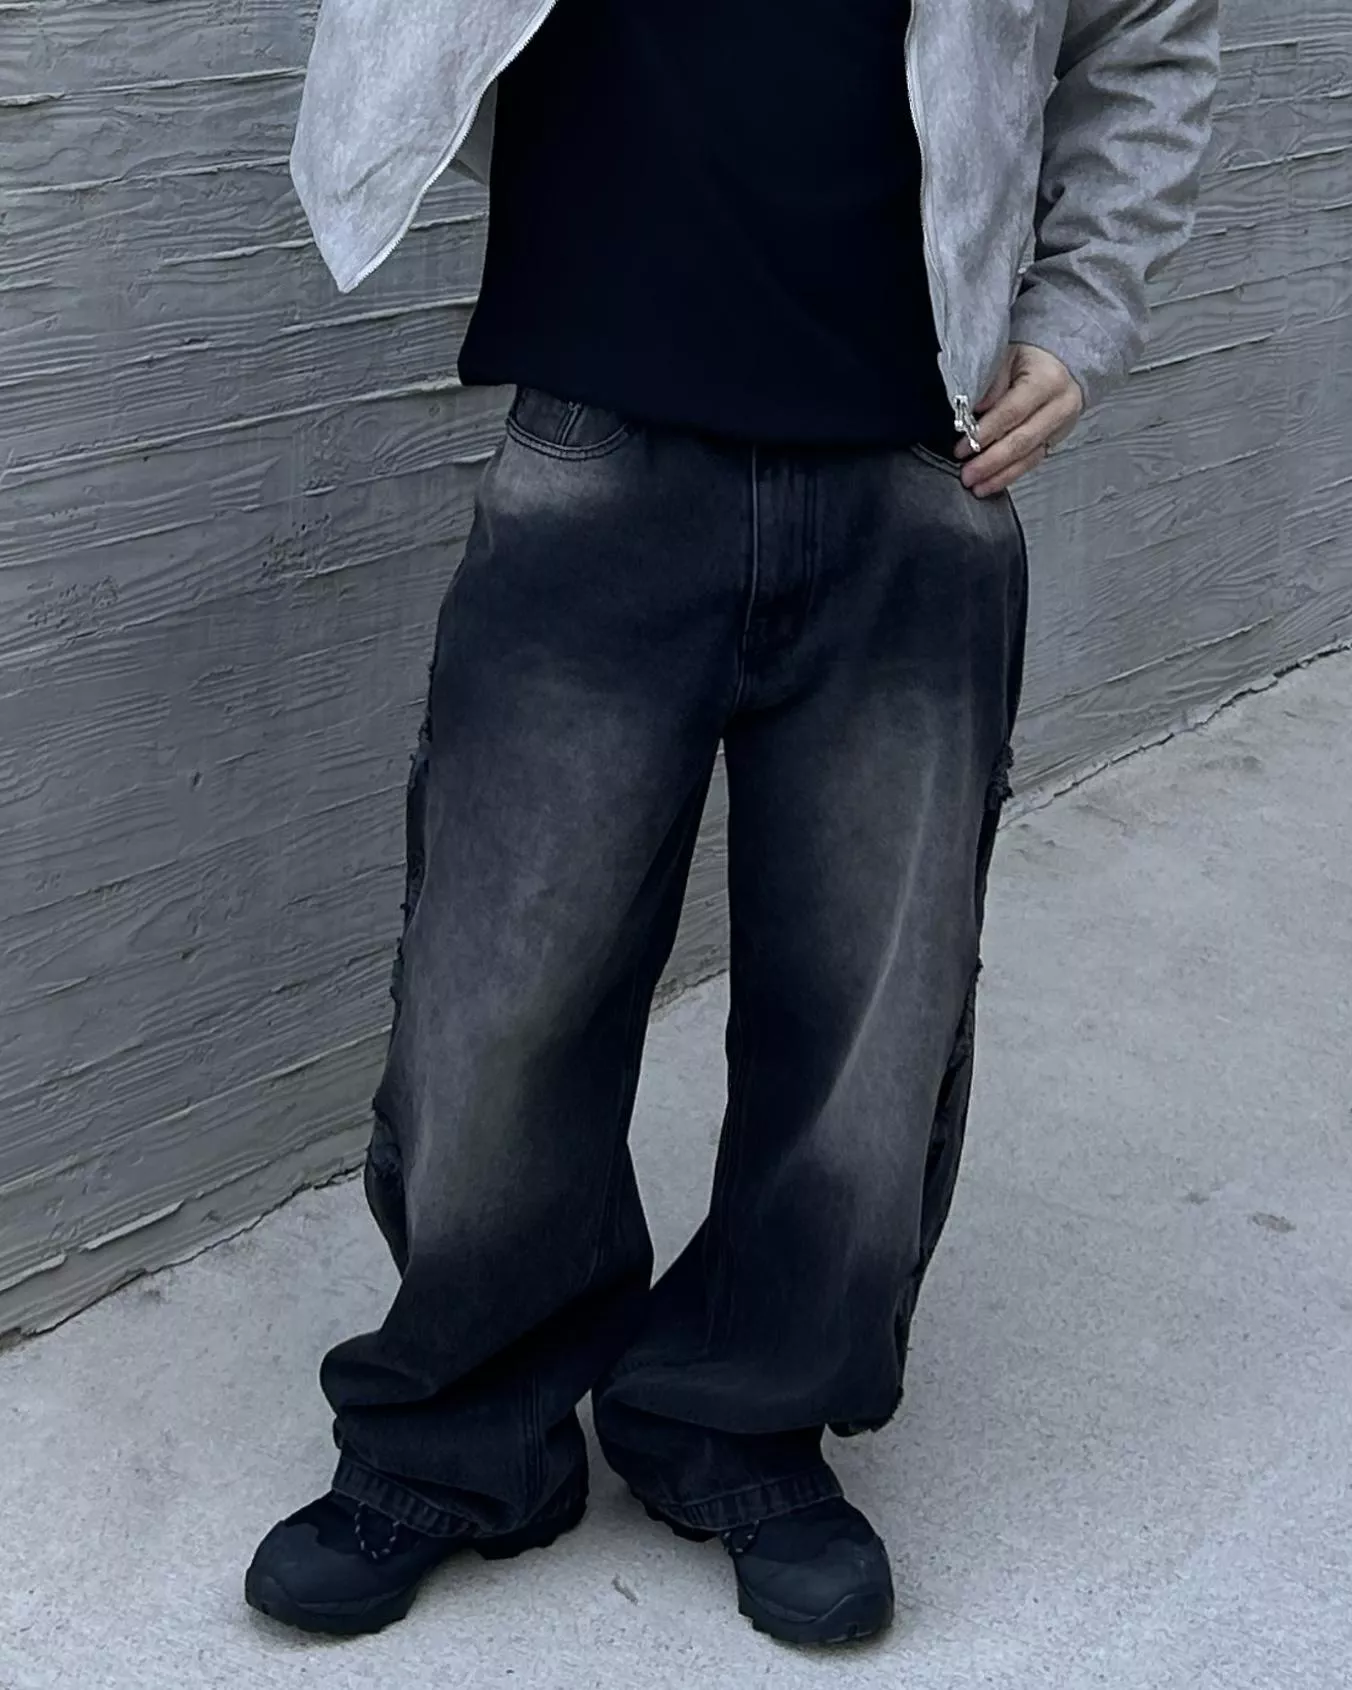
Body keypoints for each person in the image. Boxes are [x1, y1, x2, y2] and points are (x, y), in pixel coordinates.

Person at [245, 0, 1219, 1648]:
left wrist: (1085, 301)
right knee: (494, 1005)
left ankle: (741, 1419)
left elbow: (1153, 28)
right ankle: (464, 1428)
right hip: (595, 423)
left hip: (919, 454)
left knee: (870, 1027)